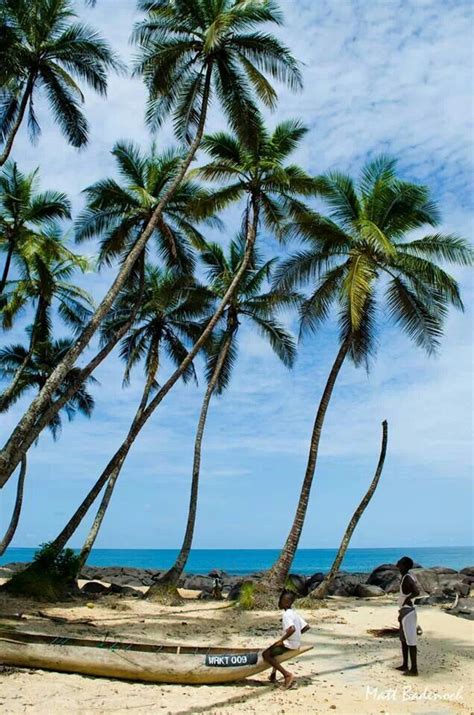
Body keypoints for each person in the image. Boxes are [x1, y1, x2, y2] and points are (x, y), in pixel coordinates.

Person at [262, 590, 310, 689]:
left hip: (289, 644)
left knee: (266, 654)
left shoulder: (286, 615)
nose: (279, 602)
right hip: (295, 643)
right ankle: (273, 675)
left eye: (281, 600)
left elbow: (292, 629)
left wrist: (281, 640)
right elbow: (306, 627)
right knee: (274, 650)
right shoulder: (294, 613)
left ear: (287, 602)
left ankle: (287, 675)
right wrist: (297, 636)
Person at [396, 556, 420, 676]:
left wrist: (407, 600)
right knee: (404, 640)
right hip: (404, 611)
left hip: (408, 612)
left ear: (404, 565)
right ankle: (405, 664)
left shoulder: (407, 578)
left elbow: (417, 592)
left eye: (399, 562)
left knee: (411, 640)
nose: (397, 563)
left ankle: (414, 669)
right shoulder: (405, 577)